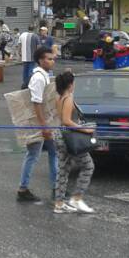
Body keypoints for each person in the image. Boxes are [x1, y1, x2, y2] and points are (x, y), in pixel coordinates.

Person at [18, 46, 58, 203]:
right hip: (37, 124)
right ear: (41, 61)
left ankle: (56, 186)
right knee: (32, 155)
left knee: (54, 152)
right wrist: (44, 127)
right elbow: (37, 103)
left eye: (52, 58)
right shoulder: (39, 78)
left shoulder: (45, 75)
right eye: (49, 59)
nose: (52, 61)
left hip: (45, 122)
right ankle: (23, 189)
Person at [53, 71, 95, 215]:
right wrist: (85, 129)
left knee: (63, 170)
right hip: (69, 138)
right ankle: (76, 198)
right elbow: (66, 120)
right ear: (70, 85)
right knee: (88, 166)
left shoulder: (59, 97)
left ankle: (59, 204)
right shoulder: (68, 98)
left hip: (60, 135)